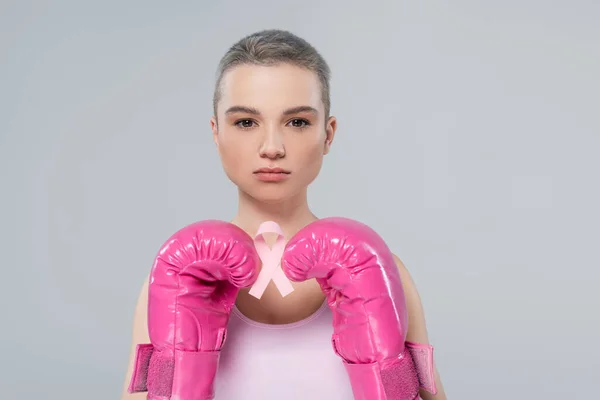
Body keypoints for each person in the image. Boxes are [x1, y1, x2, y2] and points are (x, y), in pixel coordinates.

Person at [119, 29, 448, 400]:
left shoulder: (385, 272)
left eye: (297, 122)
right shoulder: (172, 277)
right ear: (216, 132)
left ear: (328, 133)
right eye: (246, 122)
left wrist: (384, 378)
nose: (272, 147)